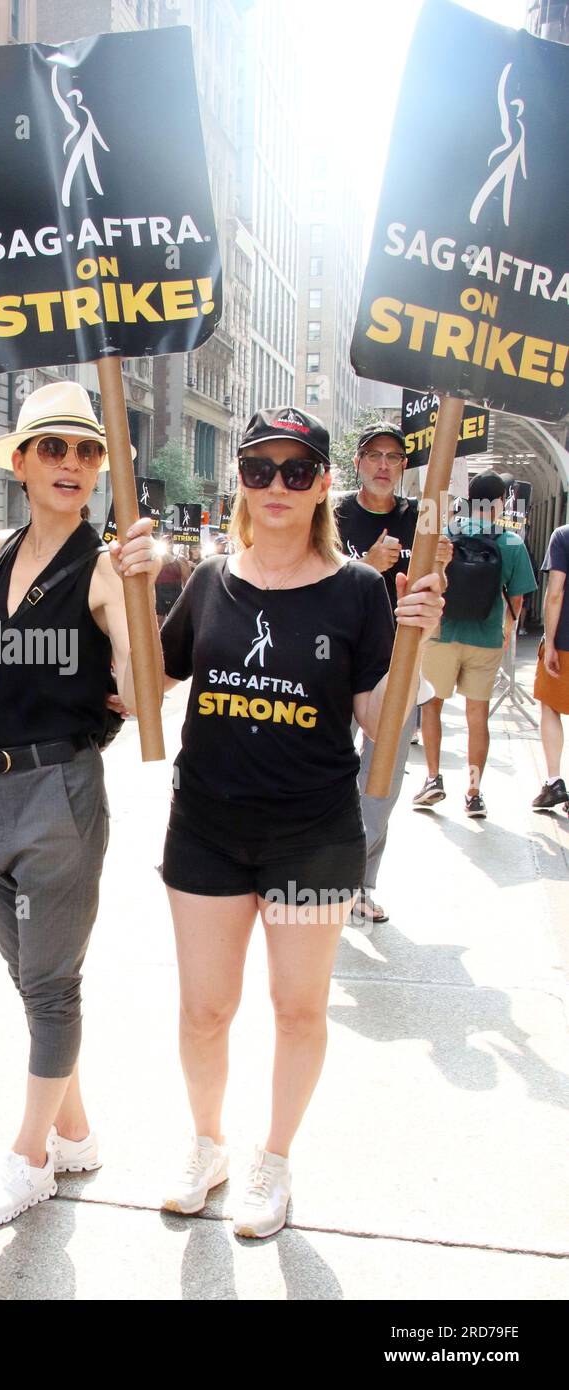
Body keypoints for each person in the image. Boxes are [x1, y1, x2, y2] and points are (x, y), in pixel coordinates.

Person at [158, 407, 443, 1238]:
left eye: (294, 470)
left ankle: (272, 1160)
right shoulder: (210, 580)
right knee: (204, 1009)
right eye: (258, 469)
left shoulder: (357, 591)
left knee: (296, 1008)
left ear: (323, 484)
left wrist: (413, 638)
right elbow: (146, 682)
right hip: (204, 825)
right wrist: (117, 590)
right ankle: (205, 1144)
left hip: (310, 833)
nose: (274, 485)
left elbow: (375, 717)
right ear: (238, 480)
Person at [0, 381, 158, 1229]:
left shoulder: (108, 568)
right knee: (27, 978)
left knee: (48, 987)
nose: (71, 465)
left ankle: (28, 1158)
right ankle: (74, 1132)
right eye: (54, 449)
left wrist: (141, 605)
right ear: (24, 463)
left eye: (86, 452)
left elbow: (144, 698)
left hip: (58, 792)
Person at [334, 422, 452, 925]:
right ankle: (317, 870)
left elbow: (435, 591)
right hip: (336, 656)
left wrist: (442, 566)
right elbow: (310, 576)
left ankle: (358, 883)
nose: (384, 465)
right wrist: (365, 562)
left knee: (380, 780)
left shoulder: (422, 516)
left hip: (397, 661)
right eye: (374, 456)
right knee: (325, 767)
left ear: (404, 467)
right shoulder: (332, 511)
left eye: (394, 458)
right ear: (358, 462)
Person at [415, 470, 536, 819]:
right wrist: (505, 633)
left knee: (432, 706)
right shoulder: (510, 542)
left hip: (442, 634)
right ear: (500, 502)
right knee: (477, 715)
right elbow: (517, 599)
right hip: (485, 639)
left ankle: (433, 778)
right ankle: (473, 792)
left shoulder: (448, 533)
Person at [533, 522, 569, 811]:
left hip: (566, 640)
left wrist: (550, 642)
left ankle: (555, 781)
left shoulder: (563, 536)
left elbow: (555, 592)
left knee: (550, 705)